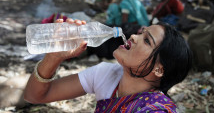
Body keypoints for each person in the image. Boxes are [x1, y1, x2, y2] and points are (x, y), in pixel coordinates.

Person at [24, 18, 192, 112]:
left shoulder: (155, 110)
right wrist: (54, 57)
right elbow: (35, 96)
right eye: (141, 33)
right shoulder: (106, 74)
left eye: (146, 40)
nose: (133, 36)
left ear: (158, 69)